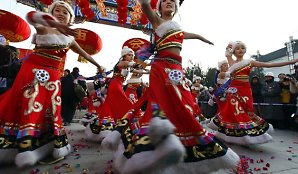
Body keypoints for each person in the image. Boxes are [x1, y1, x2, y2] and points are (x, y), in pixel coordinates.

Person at [104, 0, 240, 173]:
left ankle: (182, 148)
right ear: (159, 7)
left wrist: (202, 38)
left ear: (176, 7)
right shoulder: (157, 21)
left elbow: (190, 35)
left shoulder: (177, 28)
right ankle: (154, 149)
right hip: (160, 68)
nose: (169, 2)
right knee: (161, 105)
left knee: (184, 107)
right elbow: (145, 5)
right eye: (165, 1)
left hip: (177, 70)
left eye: (172, 1)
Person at [0, 1, 103, 167]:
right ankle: (24, 145)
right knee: (30, 103)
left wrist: (99, 66)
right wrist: (53, 23)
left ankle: (43, 144)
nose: (61, 14)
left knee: (50, 108)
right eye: (57, 10)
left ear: (70, 17)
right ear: (51, 13)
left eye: (65, 12)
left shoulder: (69, 38)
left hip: (54, 77)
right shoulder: (44, 27)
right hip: (34, 71)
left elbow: (85, 54)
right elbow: (31, 16)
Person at [213, 41, 298, 145]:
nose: (240, 50)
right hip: (233, 90)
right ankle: (234, 135)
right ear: (233, 51)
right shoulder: (231, 62)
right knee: (234, 110)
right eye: (237, 48)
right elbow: (227, 55)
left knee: (248, 112)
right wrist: (228, 47)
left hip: (246, 90)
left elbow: (269, 65)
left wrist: (290, 62)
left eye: (242, 48)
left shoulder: (250, 62)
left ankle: (245, 135)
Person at [85, 46, 147, 142]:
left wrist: (149, 71)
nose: (131, 57)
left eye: (132, 55)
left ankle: (105, 127)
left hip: (117, 86)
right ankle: (132, 125)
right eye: (129, 55)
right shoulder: (122, 62)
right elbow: (131, 64)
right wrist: (141, 63)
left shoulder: (127, 65)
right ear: (124, 56)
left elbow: (136, 70)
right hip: (115, 86)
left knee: (110, 106)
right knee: (127, 105)